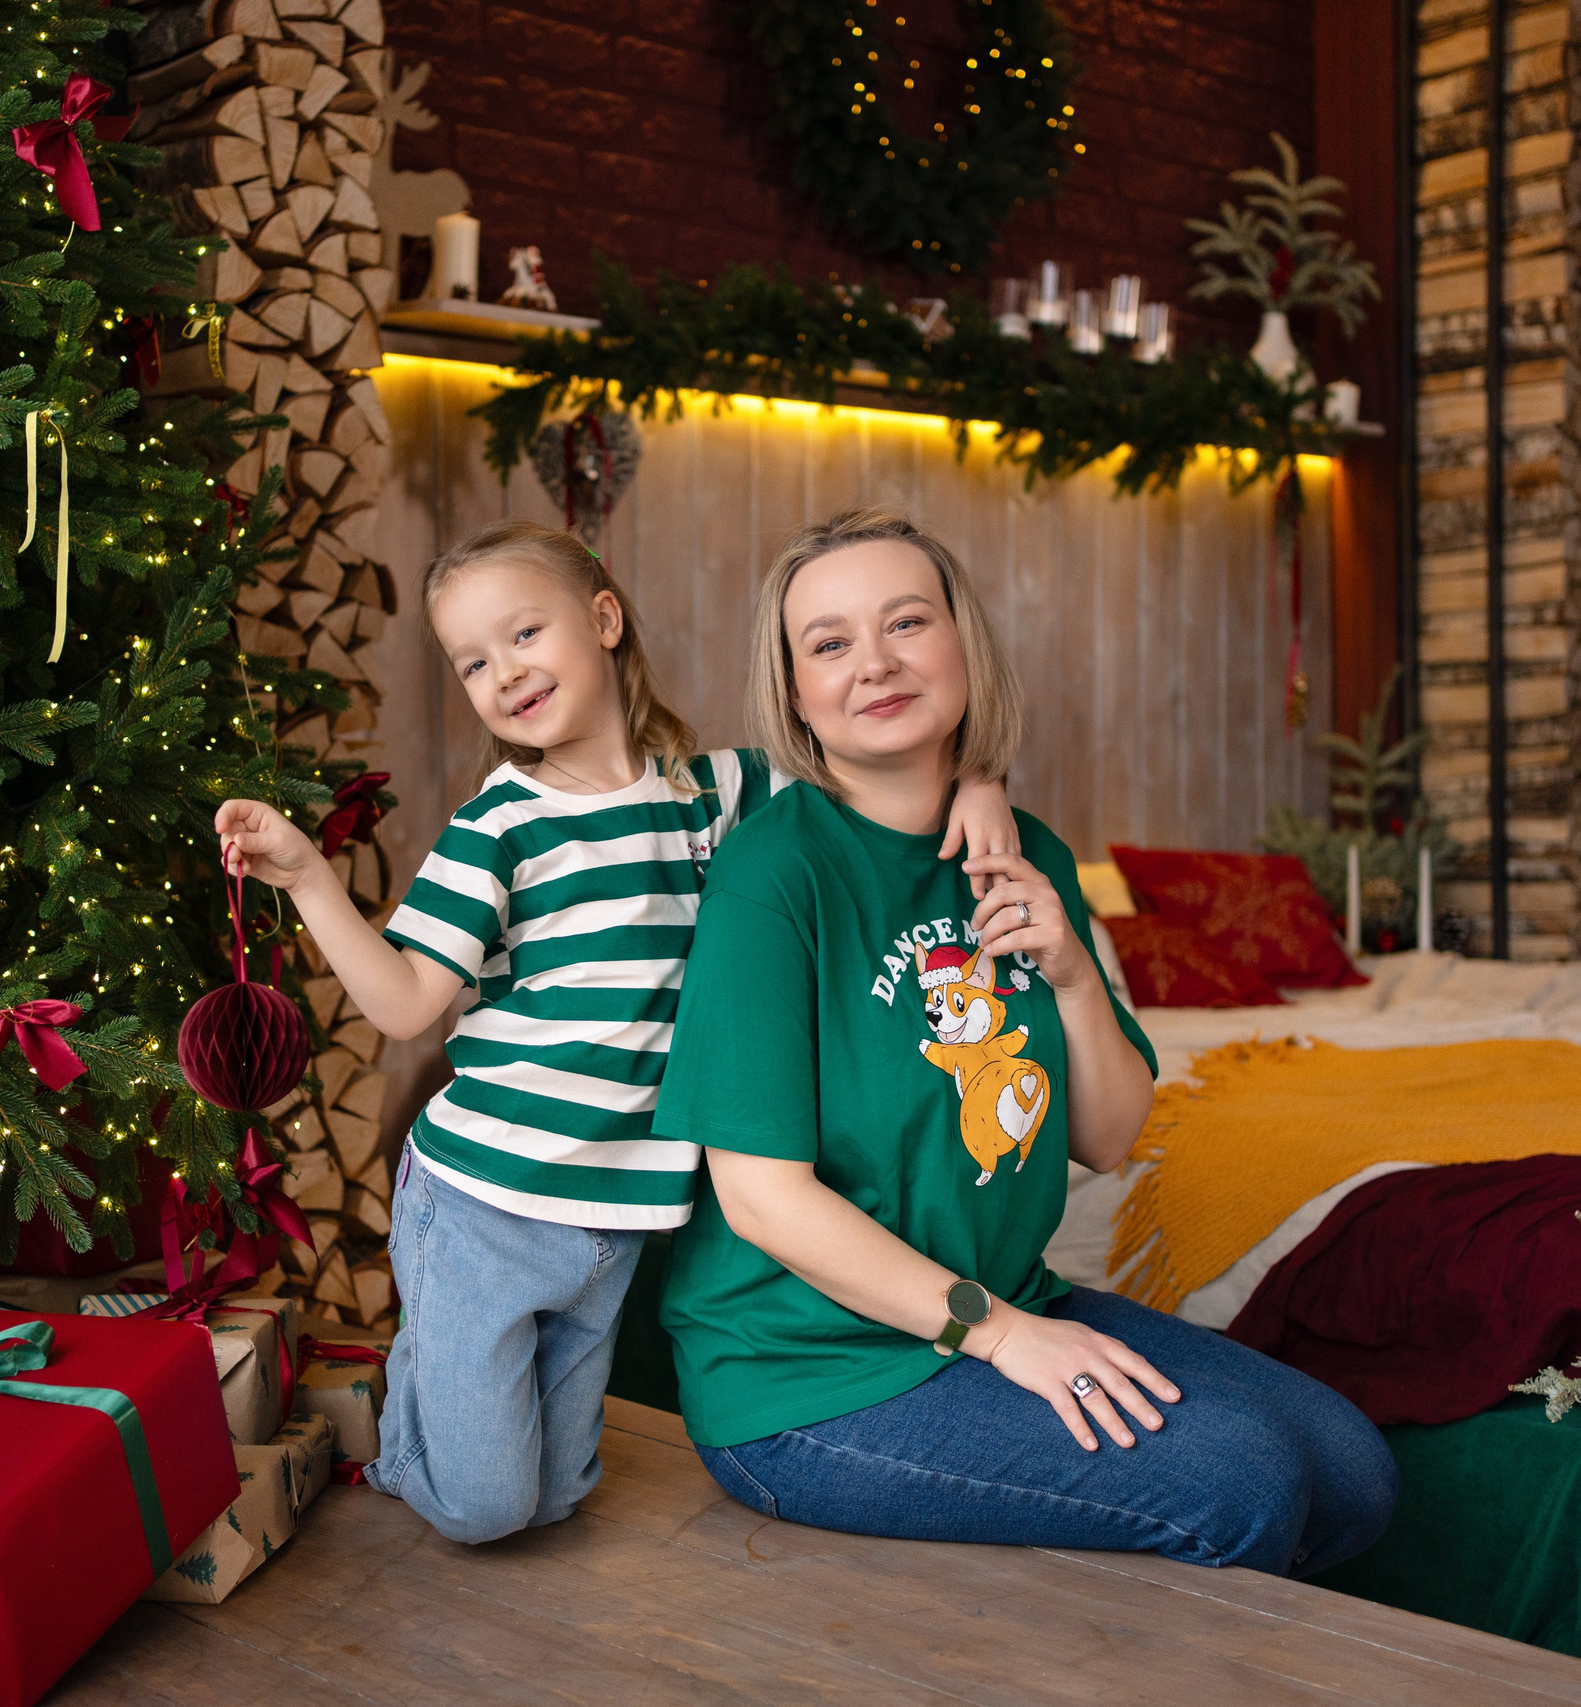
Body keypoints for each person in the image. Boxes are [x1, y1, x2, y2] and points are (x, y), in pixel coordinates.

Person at [214, 519, 1019, 1544]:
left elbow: (873, 770)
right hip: (486, 1202)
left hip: (619, 1222)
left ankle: (454, 1412)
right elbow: (408, 1003)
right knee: (485, 1509)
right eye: (472, 662)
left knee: (557, 1496)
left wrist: (981, 779)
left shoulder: (717, 792)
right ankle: (406, 1428)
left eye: (523, 636)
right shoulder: (498, 827)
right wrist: (307, 877)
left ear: (603, 620)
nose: (502, 673)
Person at [653, 508, 1398, 1572]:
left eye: (905, 622)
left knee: (1351, 1469)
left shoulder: (1023, 851)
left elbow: (1108, 1136)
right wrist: (1001, 1334)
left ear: (962, 644)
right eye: (828, 643)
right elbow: (765, 1200)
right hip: (810, 1374)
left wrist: (1072, 975)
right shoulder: (776, 877)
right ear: (796, 693)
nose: (874, 662)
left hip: (998, 1305)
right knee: (1244, 1478)